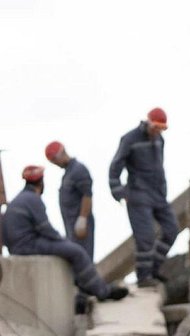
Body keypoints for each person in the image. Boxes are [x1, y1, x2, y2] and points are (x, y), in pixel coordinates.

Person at [2, 166, 128, 312]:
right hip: (28, 246)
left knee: (70, 251)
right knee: (76, 252)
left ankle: (83, 295)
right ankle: (102, 292)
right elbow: (45, 228)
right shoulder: (33, 200)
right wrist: (62, 240)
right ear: (41, 182)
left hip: (20, 245)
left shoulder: (21, 199)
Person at [109, 107, 179, 288]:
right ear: (148, 122)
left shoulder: (159, 140)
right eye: (156, 127)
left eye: (161, 129)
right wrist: (118, 192)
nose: (158, 132)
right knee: (145, 237)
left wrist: (163, 189)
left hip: (157, 194)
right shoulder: (130, 139)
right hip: (138, 195)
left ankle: (154, 268)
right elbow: (115, 166)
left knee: (172, 229)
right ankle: (144, 277)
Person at [45, 141, 95, 260]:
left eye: (55, 160)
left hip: (79, 224)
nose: (55, 164)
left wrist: (82, 218)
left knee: (83, 257)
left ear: (62, 153)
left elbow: (87, 195)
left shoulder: (78, 170)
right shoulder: (68, 173)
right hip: (71, 225)